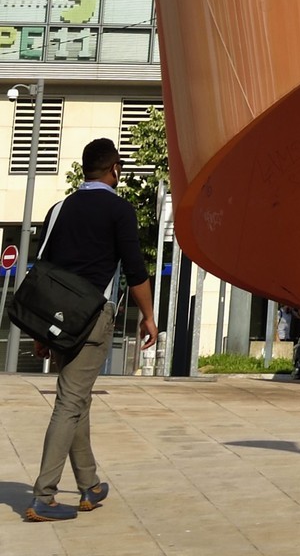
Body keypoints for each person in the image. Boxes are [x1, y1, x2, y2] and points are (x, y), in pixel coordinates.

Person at [24, 137, 156, 524]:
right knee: (70, 402)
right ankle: (44, 496)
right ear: (114, 168)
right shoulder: (119, 210)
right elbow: (135, 270)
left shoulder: (59, 208)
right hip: (92, 317)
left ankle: (89, 486)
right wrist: (148, 316)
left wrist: (40, 329)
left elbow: (42, 269)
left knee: (75, 396)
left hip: (57, 316)